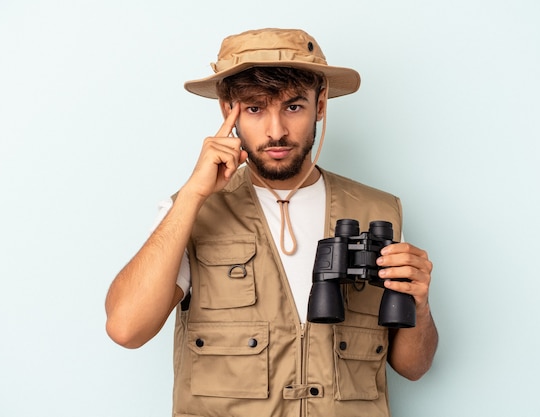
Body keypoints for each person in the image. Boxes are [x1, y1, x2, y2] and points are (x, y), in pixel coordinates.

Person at [105, 28, 438, 417]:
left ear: (321, 104)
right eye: (255, 108)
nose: (276, 131)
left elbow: (413, 367)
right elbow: (126, 328)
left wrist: (422, 304)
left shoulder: (378, 212)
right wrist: (193, 195)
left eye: (293, 107)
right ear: (227, 110)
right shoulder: (191, 211)